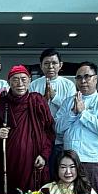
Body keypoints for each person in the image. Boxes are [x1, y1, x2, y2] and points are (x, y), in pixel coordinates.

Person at [0, 65, 54, 194]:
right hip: (8, 164)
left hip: (34, 161)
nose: (20, 83)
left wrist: (44, 155)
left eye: (24, 79)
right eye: (15, 79)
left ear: (29, 81)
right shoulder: (0, 105)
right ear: (9, 82)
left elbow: (49, 130)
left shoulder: (37, 101)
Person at [55, 61, 98, 194]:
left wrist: (83, 113)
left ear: (95, 78)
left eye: (87, 76)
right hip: (70, 160)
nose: (83, 81)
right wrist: (72, 113)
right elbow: (58, 128)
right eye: (79, 77)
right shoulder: (68, 101)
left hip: (92, 160)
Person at [29, 48, 77, 176]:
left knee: (59, 173)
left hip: (60, 139)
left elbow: (71, 110)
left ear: (60, 65)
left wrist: (55, 98)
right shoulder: (34, 85)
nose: (50, 66)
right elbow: (30, 110)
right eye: (46, 63)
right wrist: (43, 102)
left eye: (54, 63)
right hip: (40, 138)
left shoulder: (68, 85)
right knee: (42, 174)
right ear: (41, 66)